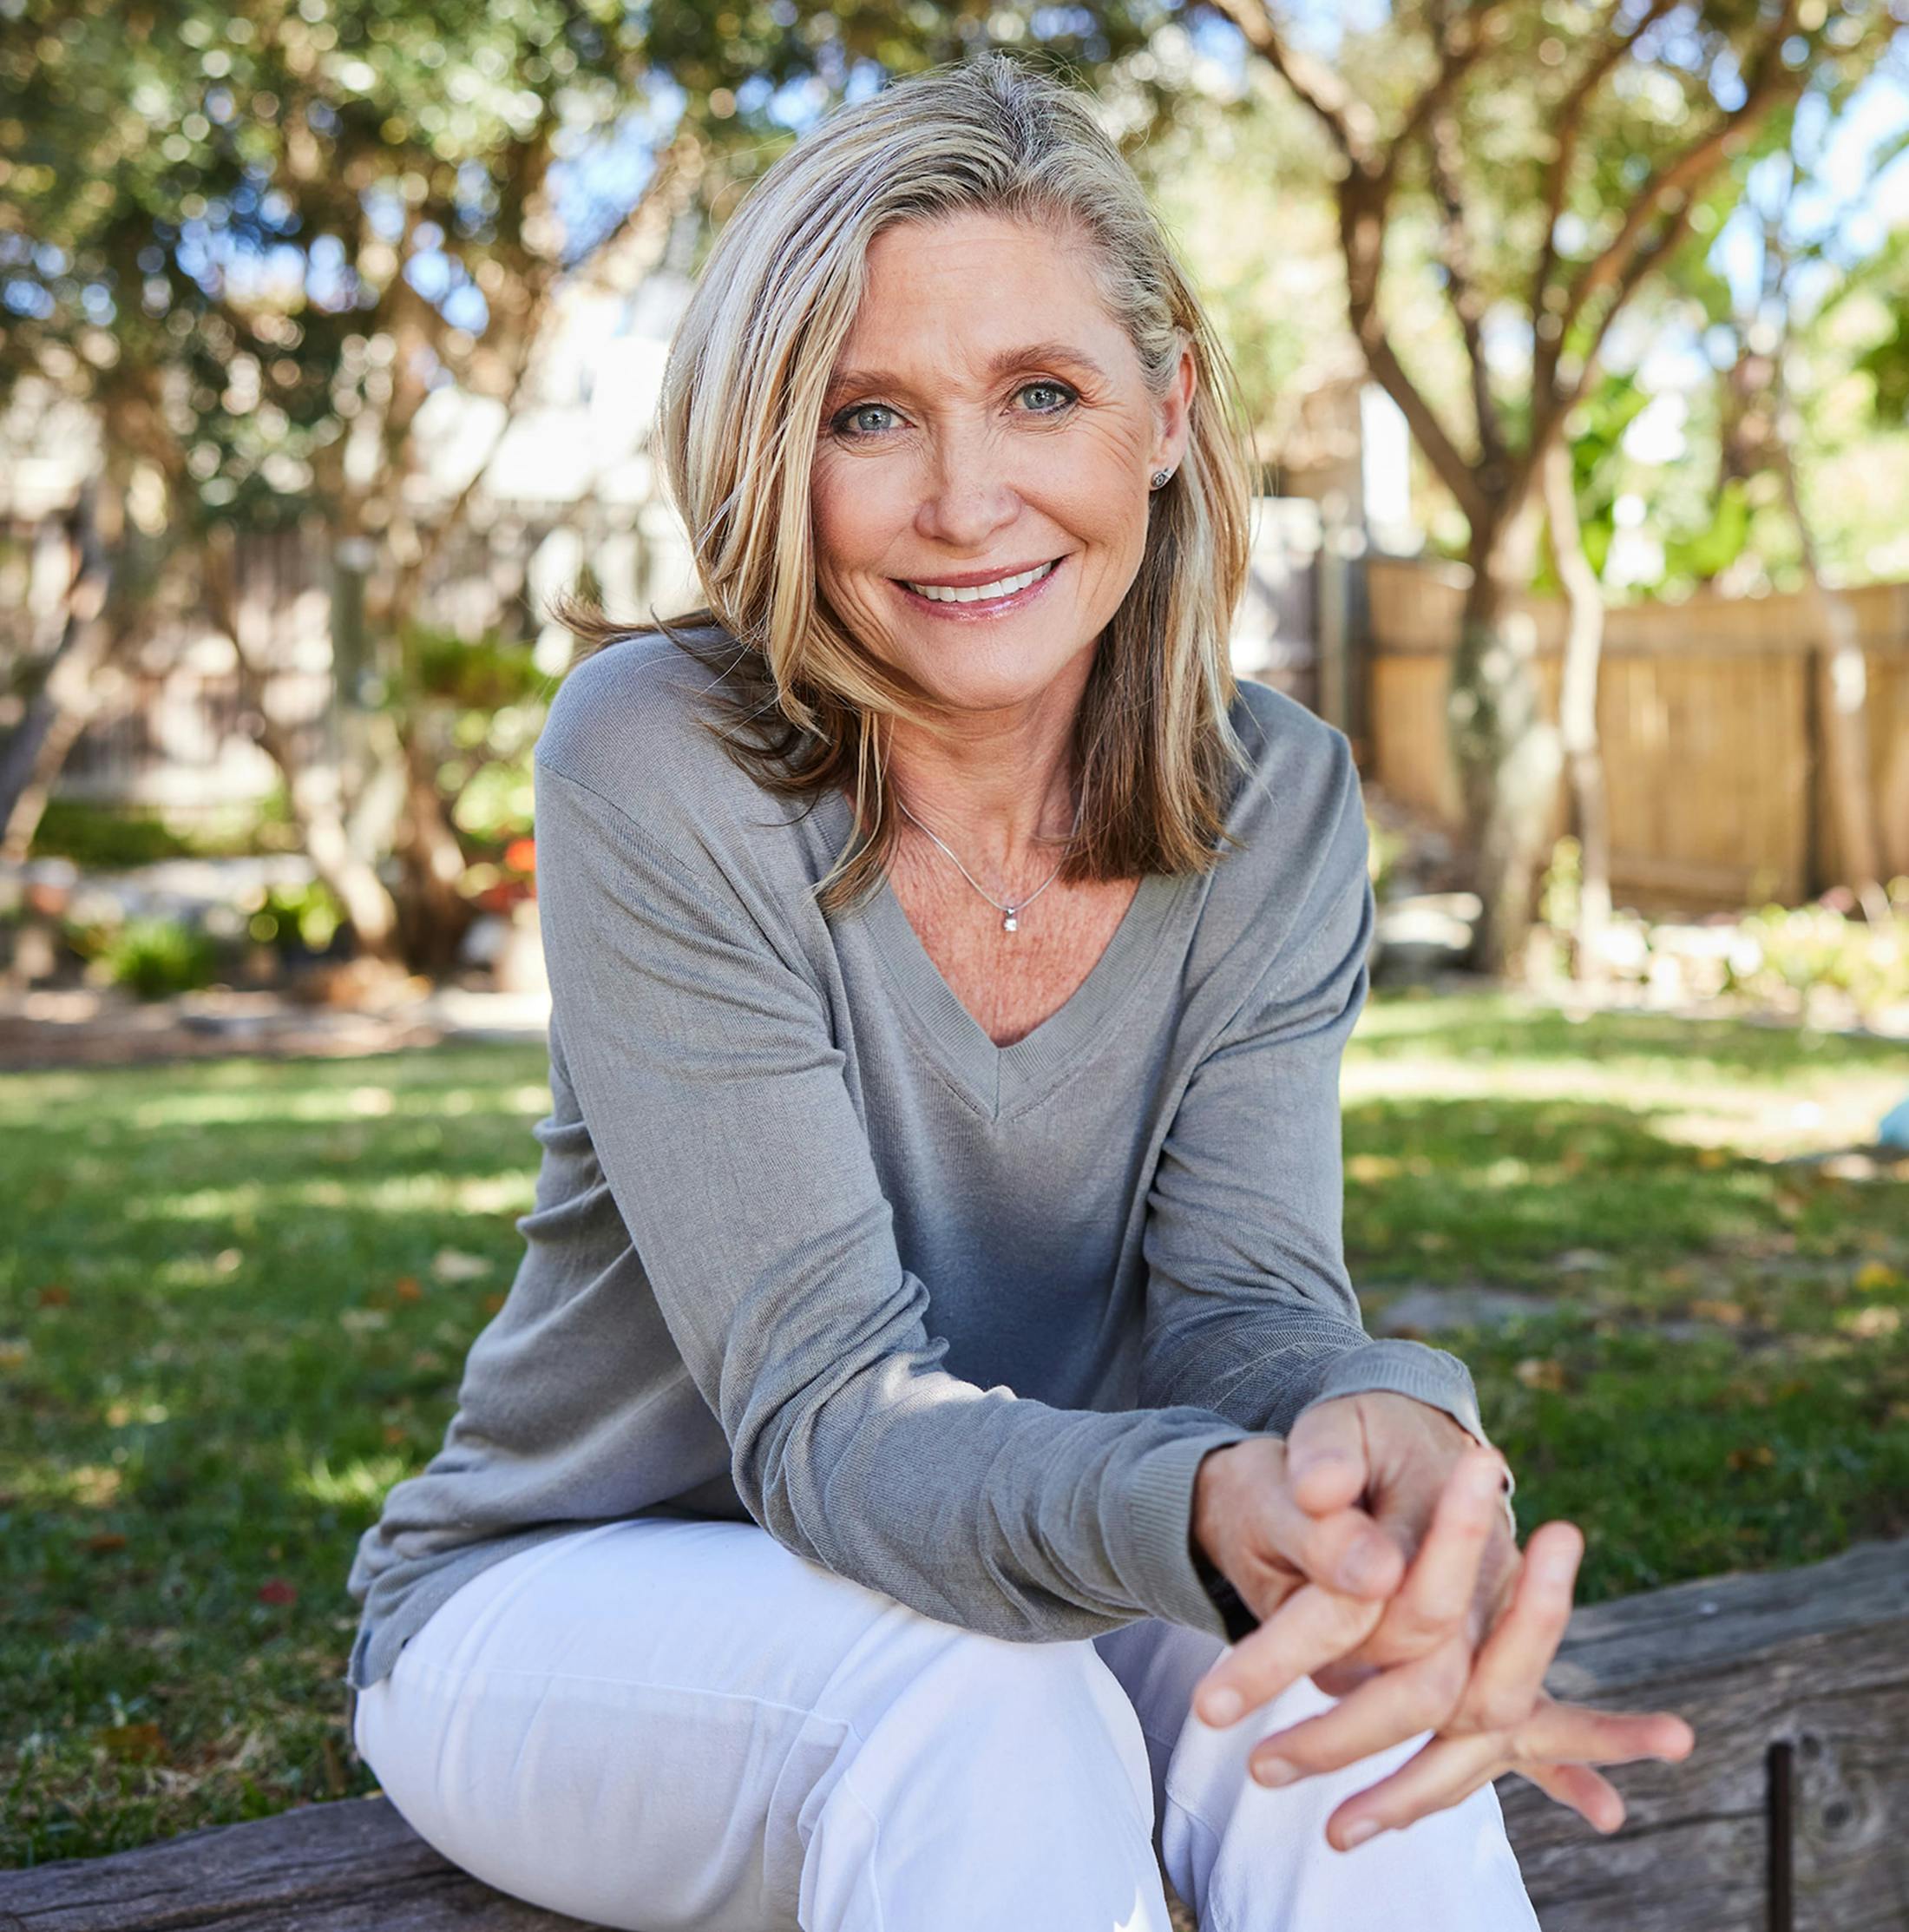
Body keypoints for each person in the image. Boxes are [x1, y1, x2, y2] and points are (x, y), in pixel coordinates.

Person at [342, 51, 1691, 1932]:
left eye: (1041, 393)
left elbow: (1247, 1314)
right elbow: (830, 1417)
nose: (965, 500)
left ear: (1165, 410)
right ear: (773, 452)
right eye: (867, 415)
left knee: (1336, 1675)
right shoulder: (660, 754)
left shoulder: (1276, 795)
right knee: (977, 1703)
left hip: (1040, 1566)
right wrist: (1198, 1499)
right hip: (572, 1597)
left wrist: (1385, 1443)